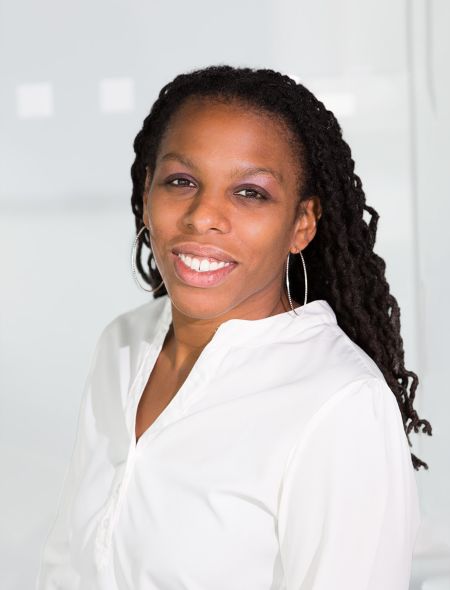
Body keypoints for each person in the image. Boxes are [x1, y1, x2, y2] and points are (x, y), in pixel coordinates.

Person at [37, 64, 432, 590]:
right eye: (181, 182)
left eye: (250, 193)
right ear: (147, 191)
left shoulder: (339, 401)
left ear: (302, 223)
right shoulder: (123, 345)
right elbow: (67, 562)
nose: (203, 216)